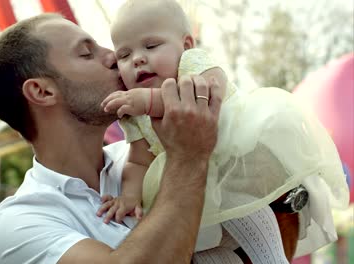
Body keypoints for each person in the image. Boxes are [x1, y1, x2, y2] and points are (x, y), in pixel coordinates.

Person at [98, 0, 349, 261]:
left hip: (233, 170)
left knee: (250, 221)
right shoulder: (131, 107)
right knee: (203, 251)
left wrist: (149, 102)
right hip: (189, 193)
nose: (138, 59)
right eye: (124, 55)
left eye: (151, 46)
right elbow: (139, 160)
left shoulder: (192, 65)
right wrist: (129, 196)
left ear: (185, 46)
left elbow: (208, 90)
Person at [0, 12, 237, 264]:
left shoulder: (151, 154)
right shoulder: (19, 222)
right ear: (42, 91)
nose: (114, 56)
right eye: (86, 53)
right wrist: (188, 157)